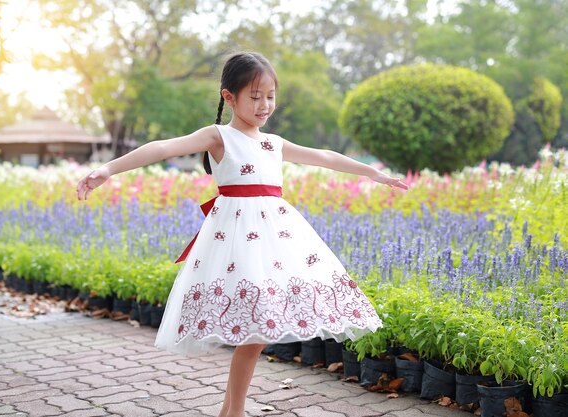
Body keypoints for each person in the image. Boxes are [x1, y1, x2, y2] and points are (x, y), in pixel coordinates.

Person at [76, 51, 409, 417]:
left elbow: (325, 156)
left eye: (270, 96)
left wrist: (372, 173)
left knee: (258, 331)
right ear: (228, 97)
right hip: (235, 242)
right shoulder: (219, 137)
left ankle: (229, 411)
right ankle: (233, 412)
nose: (264, 104)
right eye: (254, 96)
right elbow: (163, 147)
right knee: (254, 333)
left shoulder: (274, 143)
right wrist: (108, 169)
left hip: (277, 240)